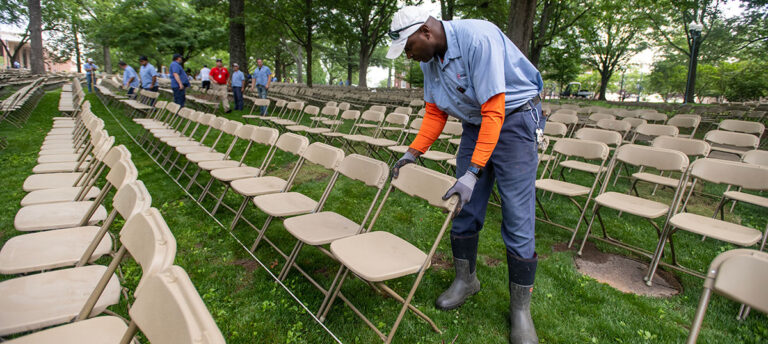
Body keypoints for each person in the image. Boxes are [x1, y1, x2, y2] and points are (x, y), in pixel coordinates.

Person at [387, 6, 544, 344]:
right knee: (462, 204)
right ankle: (465, 280)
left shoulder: (479, 38)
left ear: (426, 32)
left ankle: (520, 310)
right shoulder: (430, 60)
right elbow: (434, 111)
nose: (408, 57)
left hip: (515, 120)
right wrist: (412, 153)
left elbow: (495, 109)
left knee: (517, 215)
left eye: (409, 48)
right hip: (477, 123)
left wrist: (473, 171)